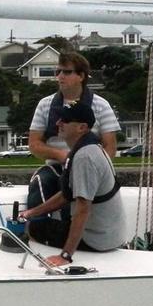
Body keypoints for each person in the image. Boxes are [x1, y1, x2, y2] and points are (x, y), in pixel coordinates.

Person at [19, 101, 127, 267]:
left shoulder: (84, 158)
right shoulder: (89, 147)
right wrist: (32, 212)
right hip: (109, 235)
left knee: (35, 229)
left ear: (82, 127)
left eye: (65, 120)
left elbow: (82, 209)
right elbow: (66, 194)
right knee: (36, 221)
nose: (58, 123)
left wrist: (65, 255)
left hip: (96, 240)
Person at [26, 51, 121, 217]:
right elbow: (34, 144)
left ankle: (65, 233)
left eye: (67, 72)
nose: (60, 76)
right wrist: (61, 155)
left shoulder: (101, 106)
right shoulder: (44, 105)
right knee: (41, 182)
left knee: (74, 191)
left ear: (81, 76)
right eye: (58, 72)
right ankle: (37, 229)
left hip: (88, 168)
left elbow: (110, 147)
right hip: (56, 166)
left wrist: (88, 167)